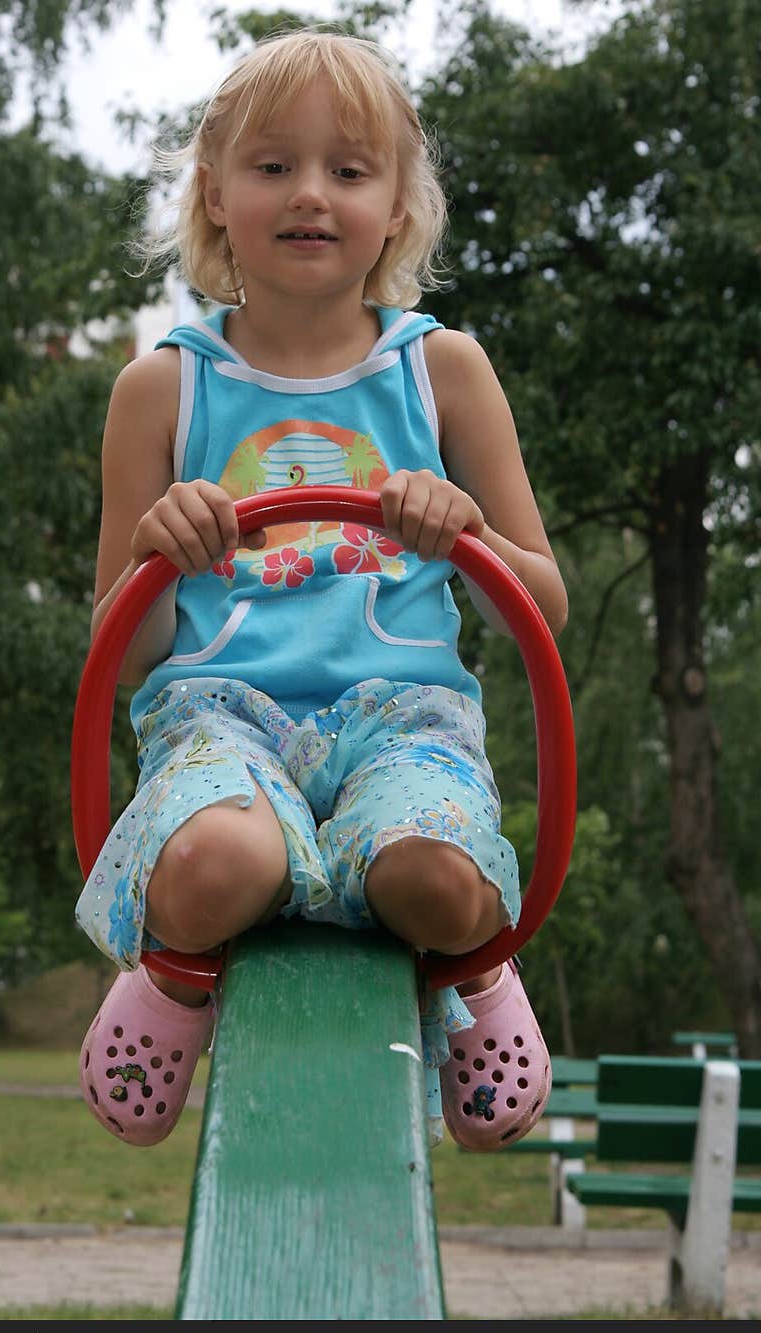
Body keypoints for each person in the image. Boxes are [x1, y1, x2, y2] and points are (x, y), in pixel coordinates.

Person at [76, 28, 568, 1152]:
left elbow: (541, 608)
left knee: (437, 876)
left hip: (404, 721)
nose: (310, 194)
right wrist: (162, 550)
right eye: (271, 166)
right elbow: (122, 646)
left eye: (349, 170)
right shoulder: (161, 390)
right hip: (222, 716)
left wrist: (469, 533)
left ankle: (476, 969)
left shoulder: (441, 373)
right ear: (214, 193)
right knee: (219, 862)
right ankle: (179, 972)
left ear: (397, 206)